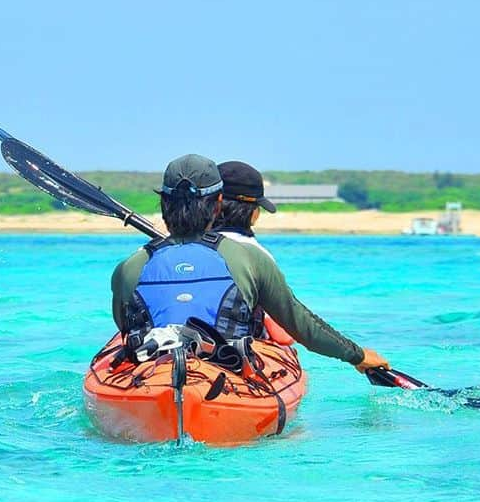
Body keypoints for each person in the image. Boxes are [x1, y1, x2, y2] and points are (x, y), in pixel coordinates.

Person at [111, 154, 388, 373]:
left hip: (151, 374)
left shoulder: (130, 267)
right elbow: (301, 324)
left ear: (164, 203)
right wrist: (357, 355)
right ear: (217, 204)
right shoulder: (251, 259)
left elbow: (126, 327)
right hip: (226, 372)